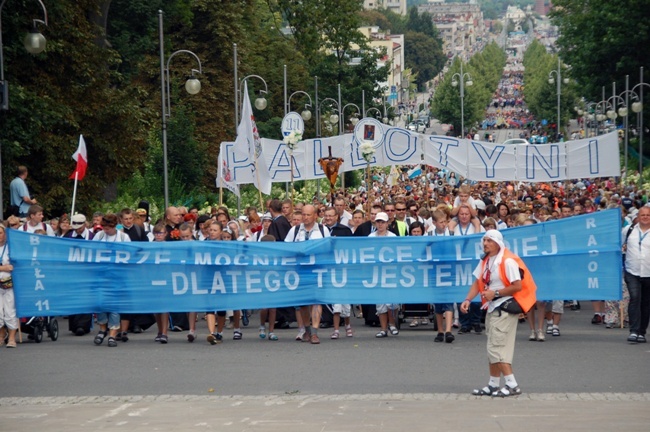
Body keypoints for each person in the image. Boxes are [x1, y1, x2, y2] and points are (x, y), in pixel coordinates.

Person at [463, 230, 536, 397]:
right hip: (493, 307)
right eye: (484, 240)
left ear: (497, 243)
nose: (485, 243)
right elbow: (478, 281)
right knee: (493, 348)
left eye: (489, 240)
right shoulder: (486, 260)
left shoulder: (507, 261)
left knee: (497, 348)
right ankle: (493, 384)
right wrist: (468, 299)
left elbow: (517, 286)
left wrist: (495, 294)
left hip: (503, 308)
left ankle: (512, 384)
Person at [285, 204, 330, 344]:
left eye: (308, 215)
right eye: (303, 214)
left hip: (317, 270)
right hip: (300, 271)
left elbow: (328, 249)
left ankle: (315, 332)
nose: (305, 217)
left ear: (315, 215)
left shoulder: (323, 230)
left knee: (316, 301)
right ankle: (307, 329)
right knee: (303, 303)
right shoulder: (295, 230)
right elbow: (286, 247)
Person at [92, 214, 131, 347]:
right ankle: (103, 329)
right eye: (104, 227)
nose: (106, 230)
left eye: (108, 228)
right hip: (101, 275)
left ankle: (113, 334)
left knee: (114, 305)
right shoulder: (99, 236)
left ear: (114, 226)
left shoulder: (123, 237)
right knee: (101, 303)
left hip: (117, 275)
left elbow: (129, 255)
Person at [368, 212, 400, 338]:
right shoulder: (370, 237)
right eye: (378, 222)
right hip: (377, 273)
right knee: (380, 302)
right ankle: (383, 328)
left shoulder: (393, 237)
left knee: (392, 301)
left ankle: (392, 324)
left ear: (387, 223)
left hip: (391, 272)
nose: (380, 224)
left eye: (382, 222)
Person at [623, 206, 650, 344]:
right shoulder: (629, 230)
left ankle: (641, 331)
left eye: (648, 215)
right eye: (643, 215)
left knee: (646, 302)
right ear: (638, 217)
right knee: (635, 298)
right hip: (632, 270)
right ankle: (633, 330)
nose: (645, 217)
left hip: (648, 272)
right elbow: (617, 244)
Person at [0, 225, 18, 348]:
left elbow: (16, 265)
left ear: (5, 234)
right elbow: (7, 266)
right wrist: (3, 267)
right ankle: (1, 336)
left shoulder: (11, 248)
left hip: (9, 283)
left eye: (0, 233)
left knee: (10, 311)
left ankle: (12, 338)